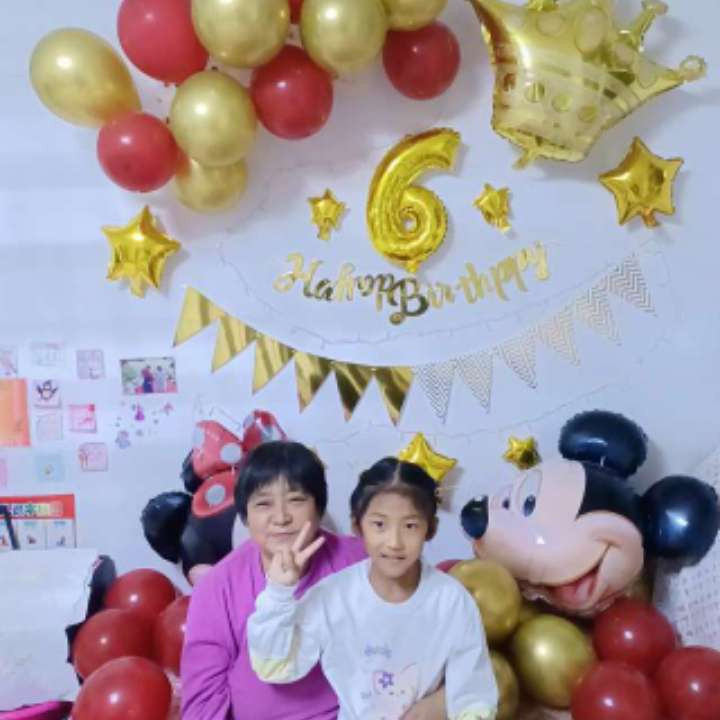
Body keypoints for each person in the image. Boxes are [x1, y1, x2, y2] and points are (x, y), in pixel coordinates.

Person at [181, 443, 447, 720]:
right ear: (245, 516)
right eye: (263, 504)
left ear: (319, 508)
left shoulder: (362, 561)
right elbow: (202, 702)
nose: (281, 518)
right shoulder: (217, 587)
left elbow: (433, 639)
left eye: (296, 500)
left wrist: (435, 703)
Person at [247, 458, 499, 720]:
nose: (394, 542)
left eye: (410, 526)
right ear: (358, 527)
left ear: (430, 529)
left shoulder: (451, 600)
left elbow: (473, 696)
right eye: (379, 524)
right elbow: (276, 666)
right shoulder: (333, 597)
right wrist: (278, 594)